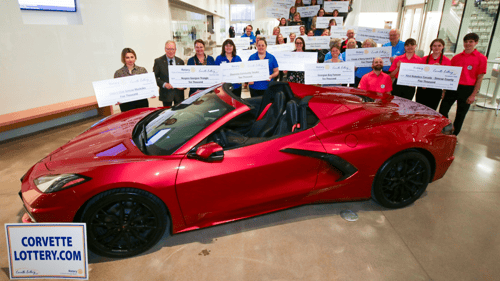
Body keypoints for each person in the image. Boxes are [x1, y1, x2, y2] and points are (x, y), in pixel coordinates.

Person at [439, 33, 487, 136]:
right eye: (466, 41)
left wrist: (473, 95)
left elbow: (480, 78)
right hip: (452, 87)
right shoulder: (456, 57)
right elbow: (449, 75)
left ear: (476, 43)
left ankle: (454, 135)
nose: (468, 44)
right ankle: (447, 128)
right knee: (442, 110)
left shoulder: (481, 58)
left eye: (471, 42)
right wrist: (444, 90)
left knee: (460, 114)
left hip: (467, 89)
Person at [416, 38, 452, 110]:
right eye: (434, 46)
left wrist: (440, 69)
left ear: (443, 47)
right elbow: (419, 73)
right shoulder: (424, 59)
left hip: (436, 90)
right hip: (423, 88)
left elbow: (447, 77)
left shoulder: (447, 61)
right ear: (431, 47)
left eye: (439, 45)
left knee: (432, 111)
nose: (437, 48)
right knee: (419, 110)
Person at [114, 48, 149, 112]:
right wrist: (116, 99)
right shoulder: (118, 73)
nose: (130, 59)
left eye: (132, 57)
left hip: (141, 101)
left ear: (135, 58)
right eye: (127, 57)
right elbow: (117, 89)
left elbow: (148, 85)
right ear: (123, 59)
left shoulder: (142, 70)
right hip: (126, 103)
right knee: (128, 120)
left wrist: (151, 93)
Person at [153, 41, 185, 107]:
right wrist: (164, 84)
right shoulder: (158, 61)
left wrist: (184, 87)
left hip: (179, 95)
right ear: (165, 49)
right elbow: (154, 78)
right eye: (168, 49)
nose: (171, 51)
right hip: (166, 95)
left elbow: (184, 77)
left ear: (175, 50)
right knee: (166, 115)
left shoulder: (180, 61)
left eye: (172, 49)